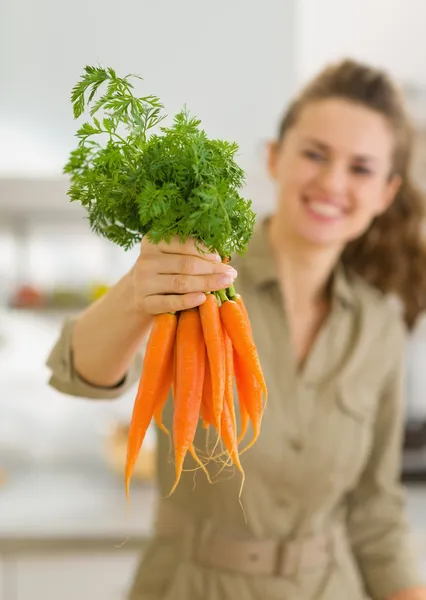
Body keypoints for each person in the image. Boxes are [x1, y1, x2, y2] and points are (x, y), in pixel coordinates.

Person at [46, 58, 426, 600]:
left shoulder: (380, 325)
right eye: (314, 154)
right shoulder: (197, 269)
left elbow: (375, 510)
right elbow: (77, 373)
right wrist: (136, 293)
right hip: (192, 585)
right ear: (274, 158)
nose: (332, 182)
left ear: (386, 192)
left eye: (360, 168)